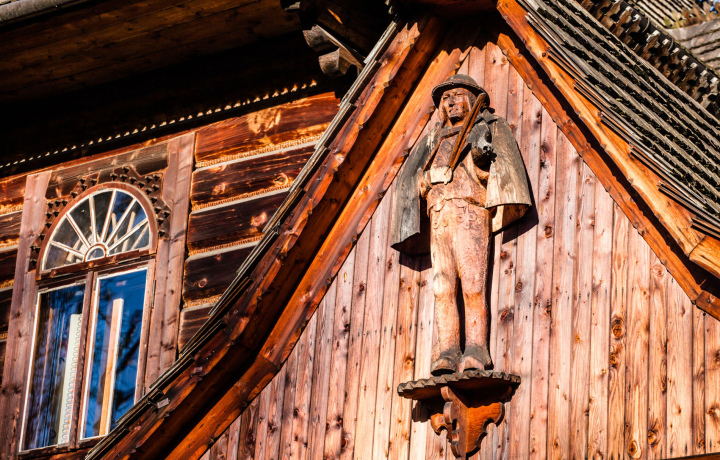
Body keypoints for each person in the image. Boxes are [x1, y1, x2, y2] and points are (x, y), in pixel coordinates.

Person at [390, 74, 531, 376]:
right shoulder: (434, 139)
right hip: (439, 215)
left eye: (456, 96)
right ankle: (448, 350)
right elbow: (414, 180)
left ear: (470, 99)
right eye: (445, 98)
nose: (451, 102)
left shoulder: (484, 128)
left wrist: (480, 156)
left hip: (469, 211)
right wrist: (429, 179)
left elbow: (493, 173)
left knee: (472, 282)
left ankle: (476, 348)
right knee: (442, 286)